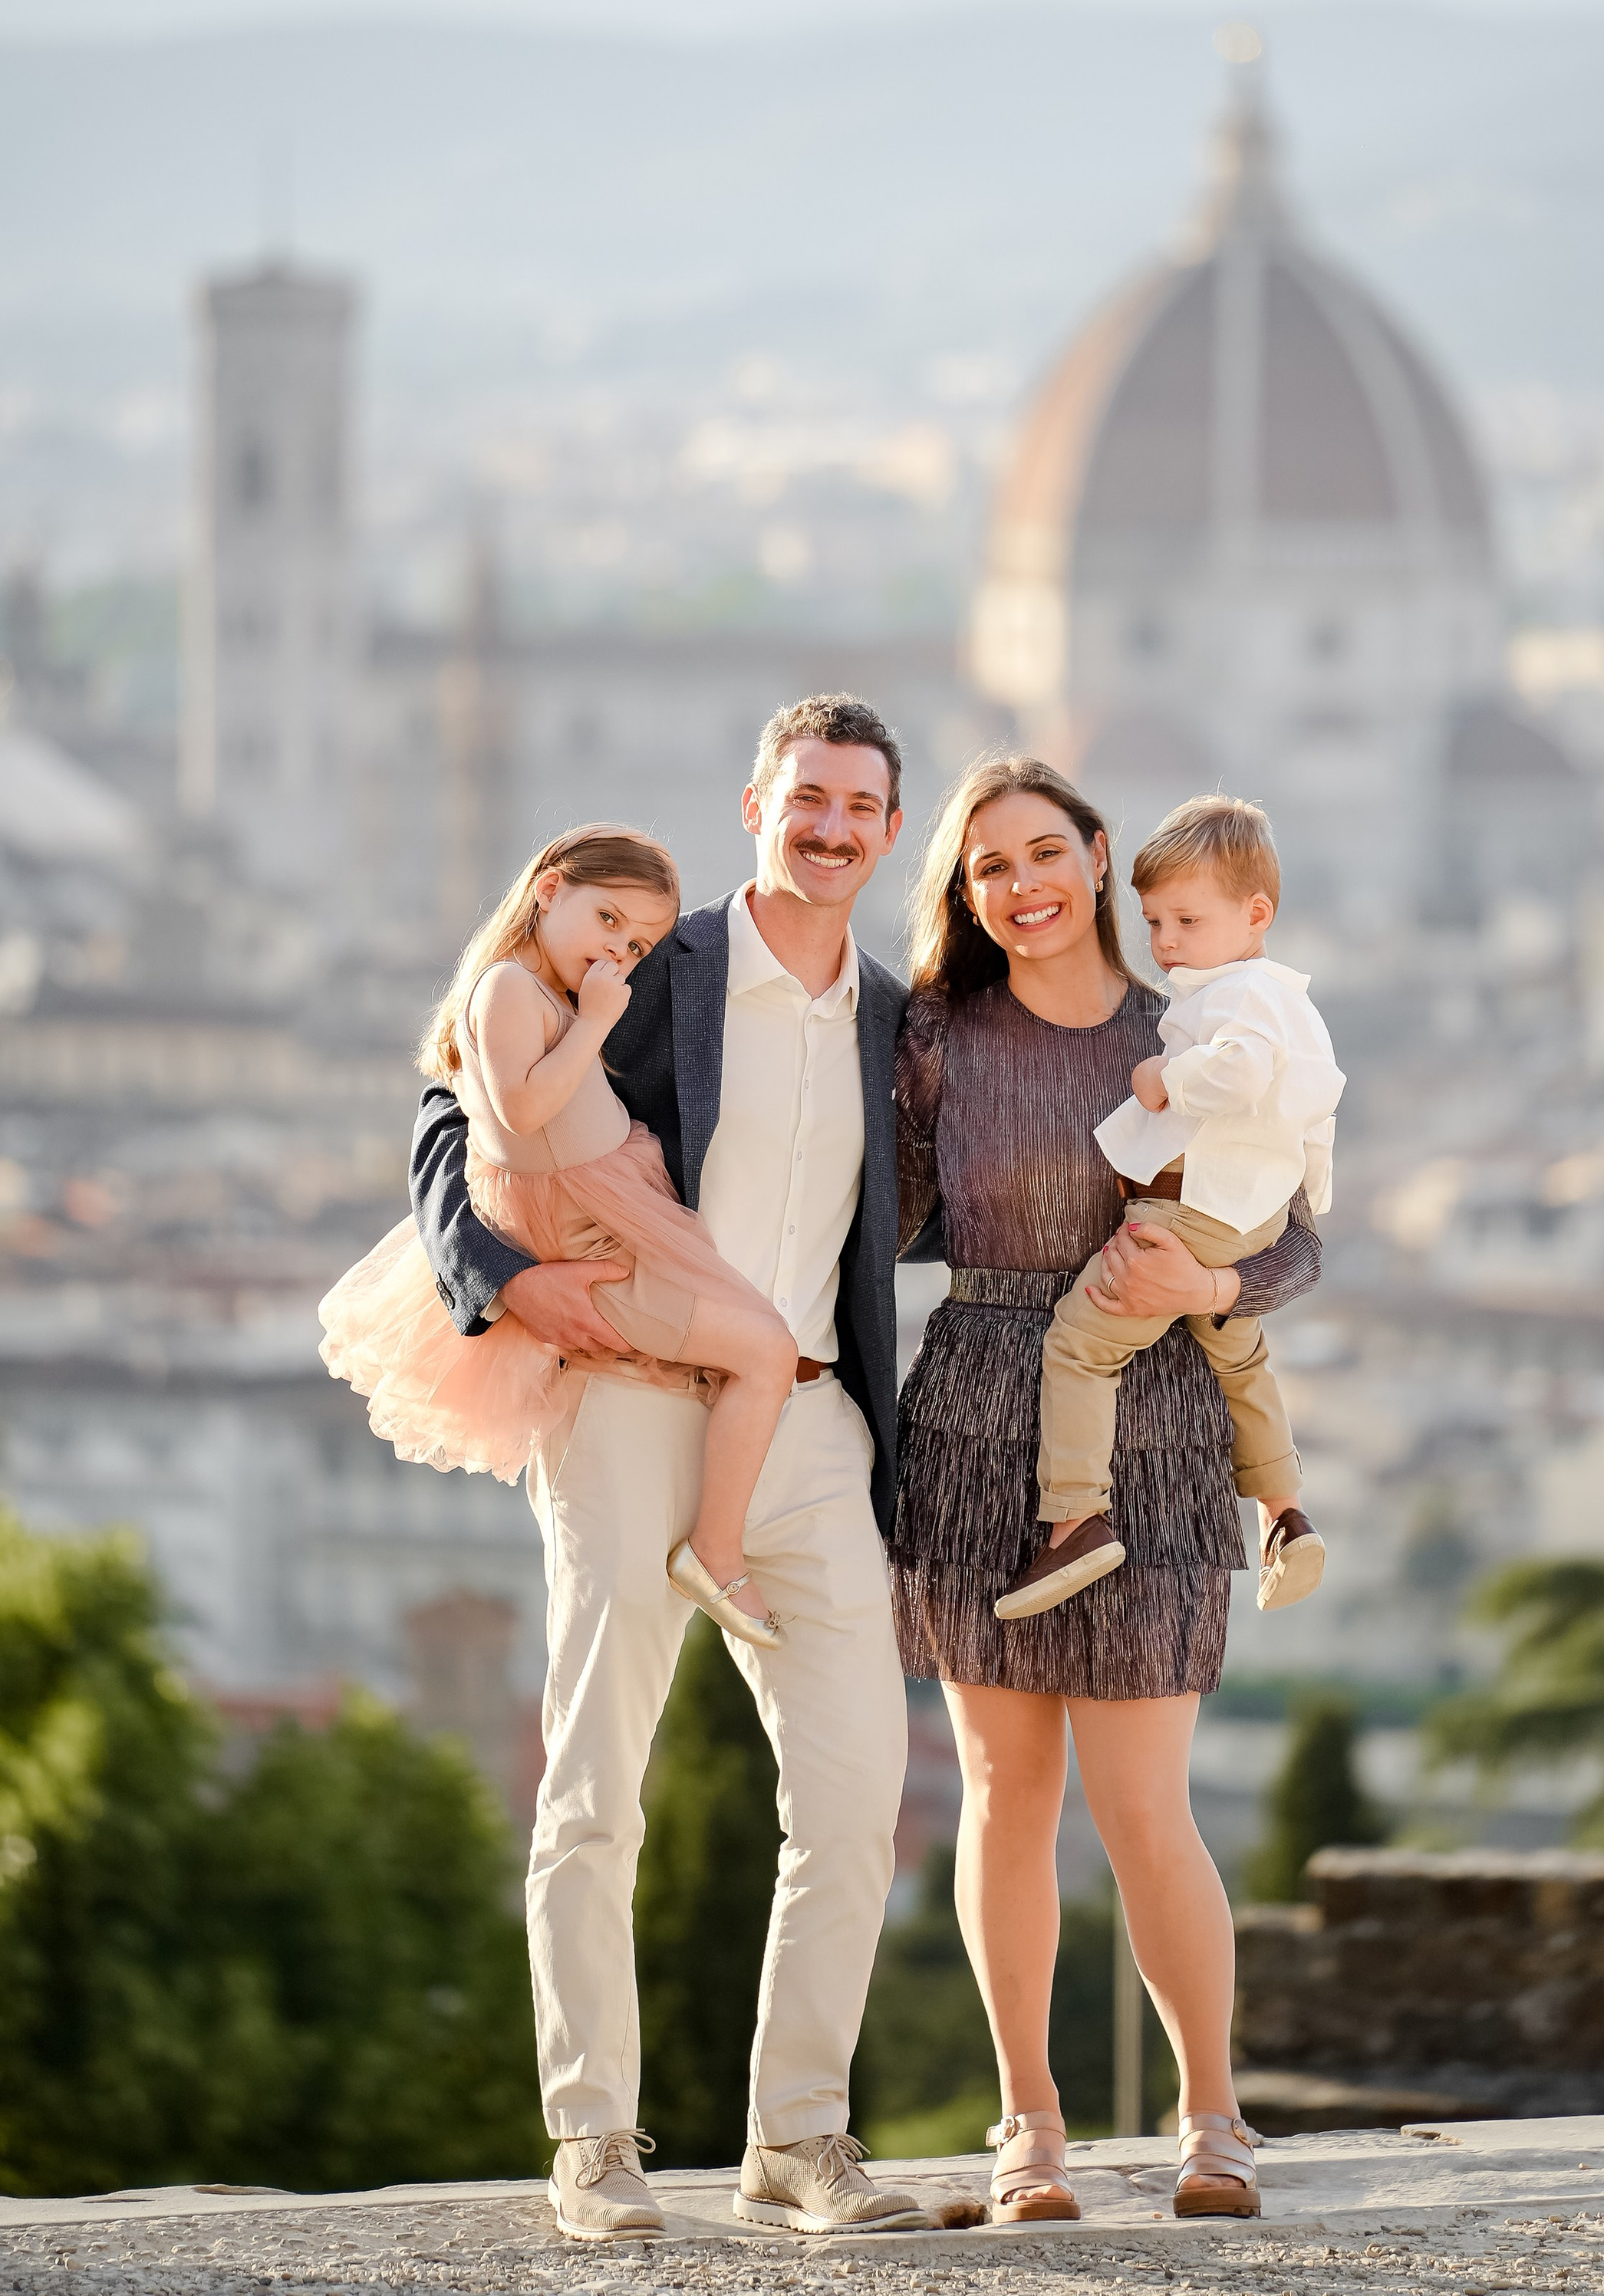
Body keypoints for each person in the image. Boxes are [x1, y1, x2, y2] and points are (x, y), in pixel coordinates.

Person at [404, 697, 937, 2244]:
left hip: (812, 1425)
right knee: (596, 1787)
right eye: (808, 799)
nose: (831, 828)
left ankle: (801, 2142)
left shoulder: (897, 1019)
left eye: (859, 807)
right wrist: (491, 1276)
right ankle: (593, 2142)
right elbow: (458, 1094)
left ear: (888, 834)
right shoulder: (659, 973)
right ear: (758, 805)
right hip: (633, 1402)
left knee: (853, 1795)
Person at [887, 753, 1323, 2226]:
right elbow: (873, 1218)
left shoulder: (1193, 1023)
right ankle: (1031, 2130)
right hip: (972, 1418)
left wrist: (1222, 1272)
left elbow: (1297, 1234)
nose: (1017, 887)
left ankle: (1214, 2118)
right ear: (967, 893)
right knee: (1007, 1795)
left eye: (1041, 853)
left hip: (1165, 1422)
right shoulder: (939, 1032)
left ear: (1094, 857)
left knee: (1148, 1807)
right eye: (984, 868)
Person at [323, 824, 799, 1645]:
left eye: (639, 940)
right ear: (549, 889)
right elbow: (522, 1110)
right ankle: (715, 1554)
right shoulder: (510, 988)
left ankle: (714, 1537)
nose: (619, 950)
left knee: (750, 1351)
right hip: (590, 1240)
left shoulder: (544, 992)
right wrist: (596, 1022)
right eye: (607, 919)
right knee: (765, 1352)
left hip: (609, 1224)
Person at [995, 793, 1341, 1624]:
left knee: (1080, 1344)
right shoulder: (1286, 996)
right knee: (1240, 1357)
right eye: (1154, 923)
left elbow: (1241, 1072)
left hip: (1190, 1211)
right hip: (1245, 1211)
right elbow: (1312, 1114)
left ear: (1256, 915)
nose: (1167, 943)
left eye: (1186, 920)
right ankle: (1283, 1513)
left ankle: (1075, 1519)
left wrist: (1164, 1080)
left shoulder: (1237, 999)